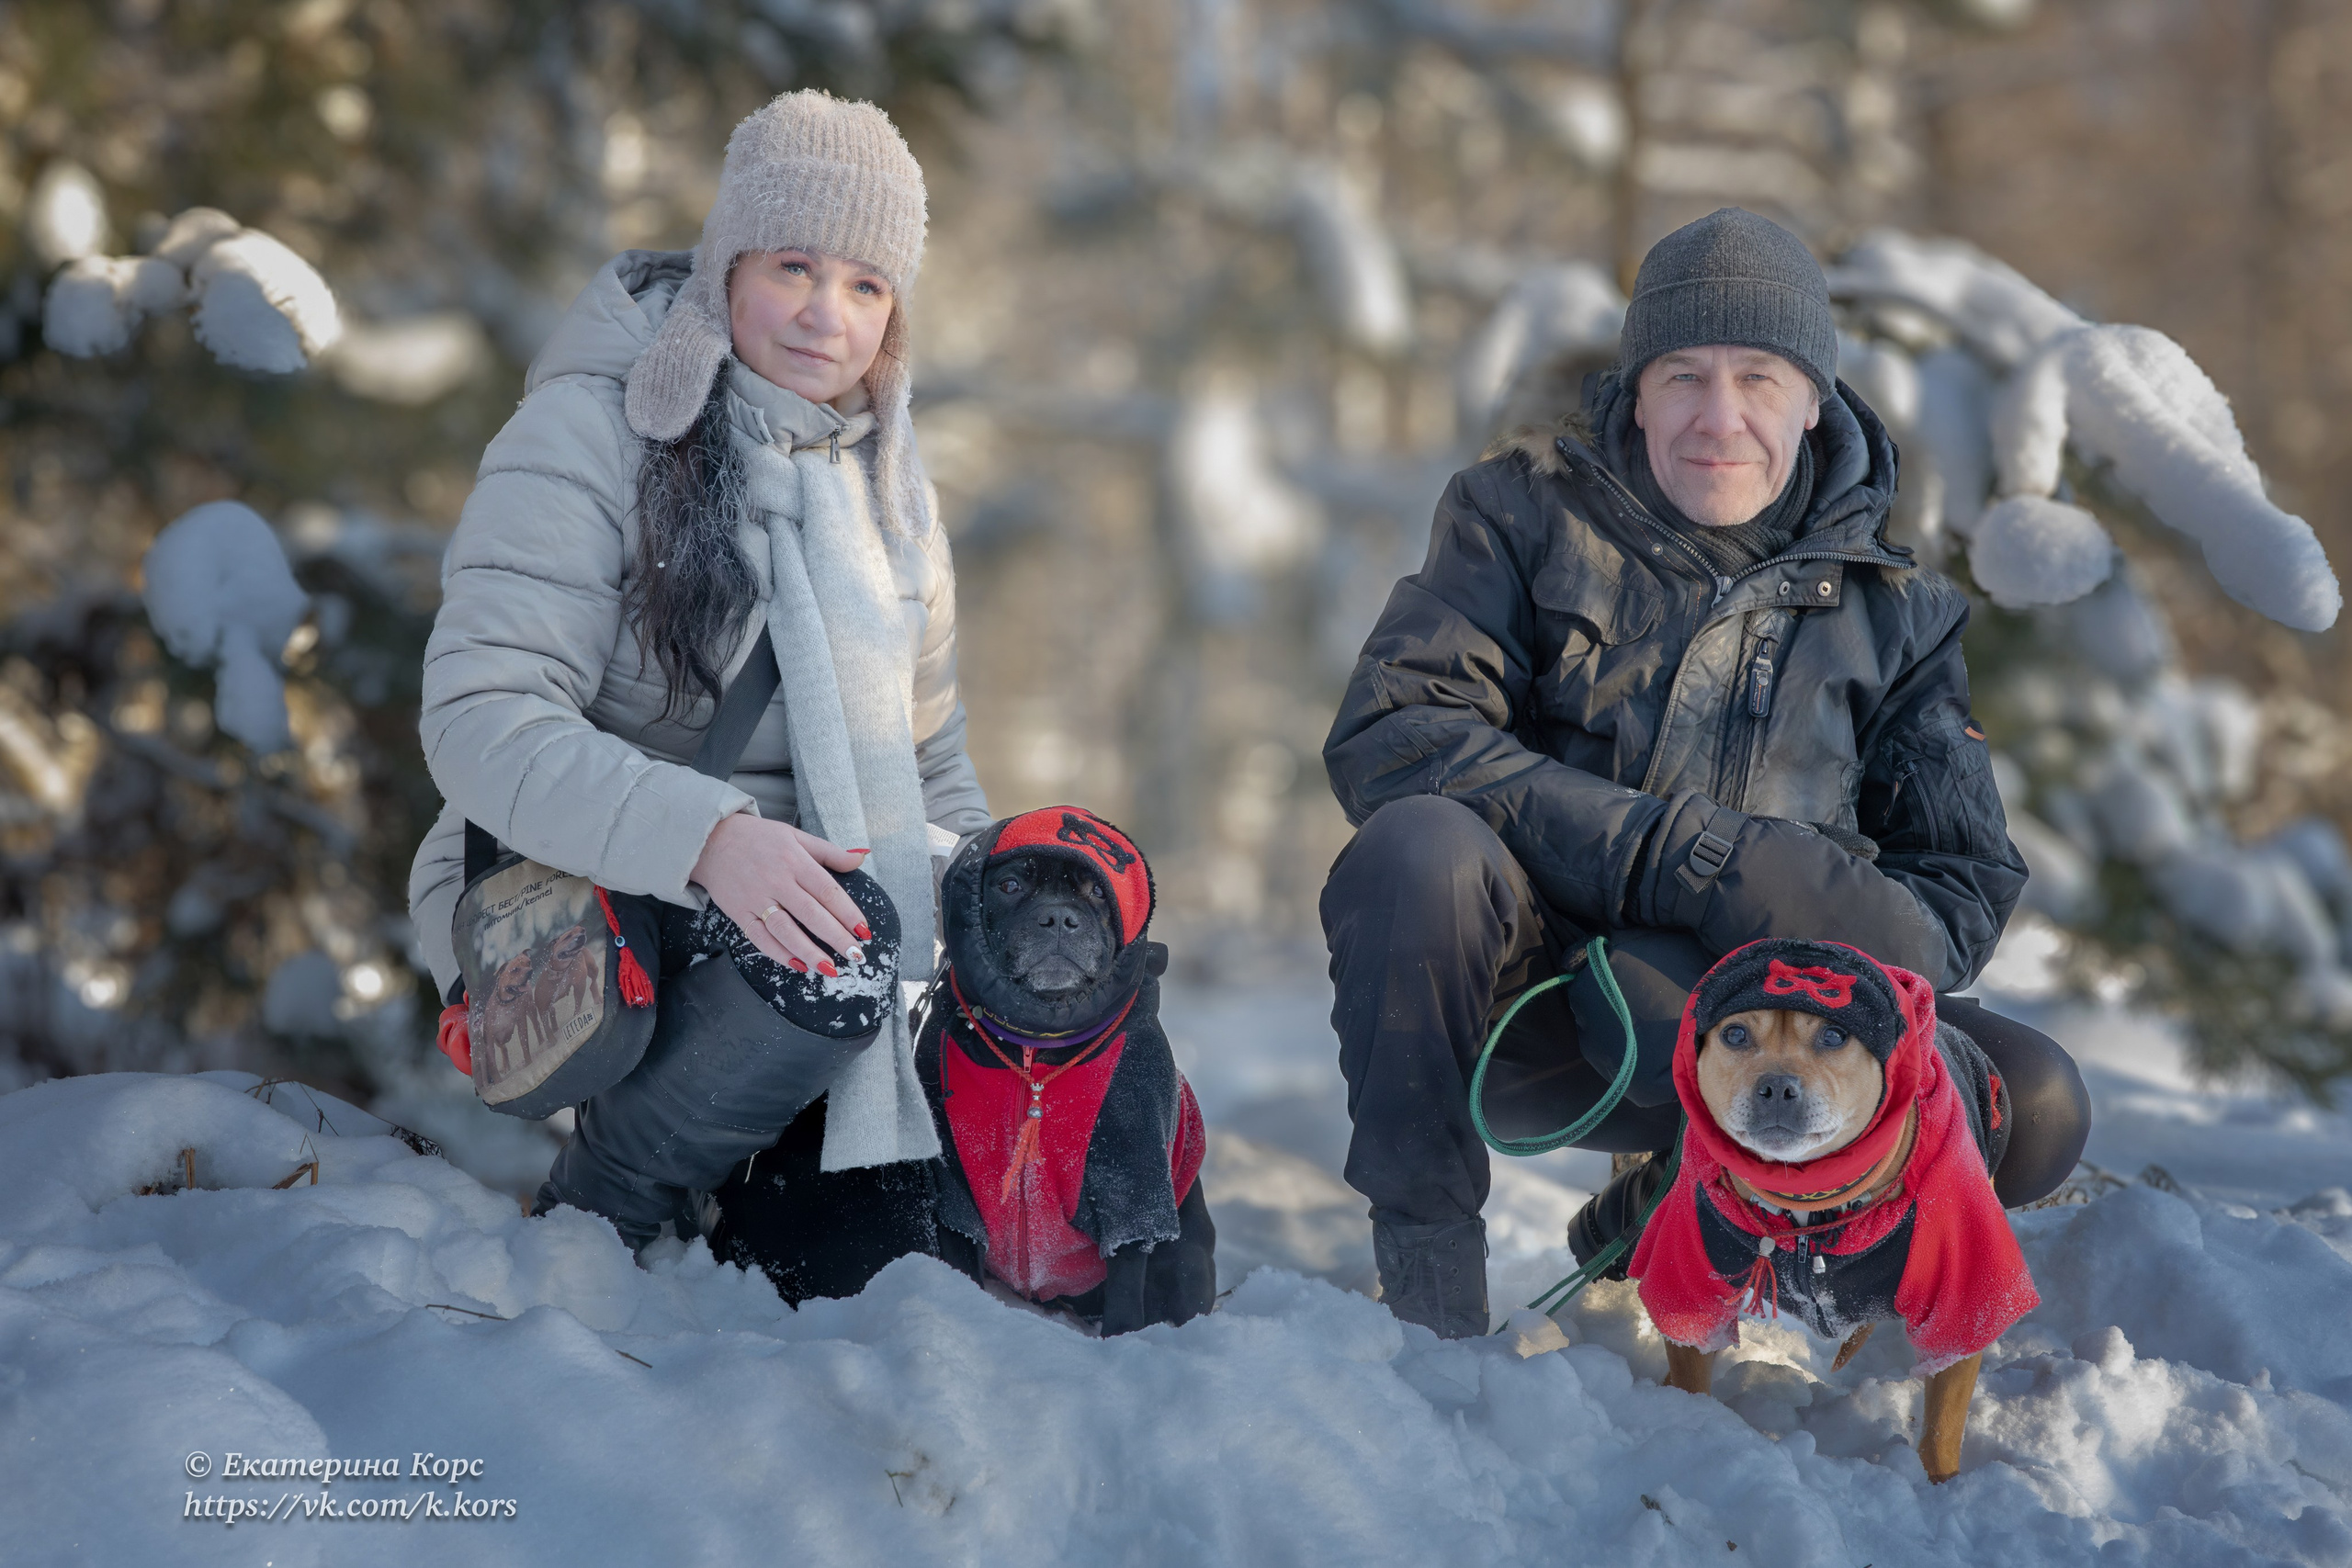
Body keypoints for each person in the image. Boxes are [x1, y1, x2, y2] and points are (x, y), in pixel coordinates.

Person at [1319, 207, 2091, 1338]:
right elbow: (1397, 733)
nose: (1717, 419)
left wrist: (1789, 912)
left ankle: (1670, 1205)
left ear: (1816, 398)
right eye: (1681, 375)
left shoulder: (1900, 614)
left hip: (1769, 1026)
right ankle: (1429, 1296)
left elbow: (1955, 895)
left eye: (1758, 378)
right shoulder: (1519, 517)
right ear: (1633, 390)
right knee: (1414, 850)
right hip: (1538, 1012)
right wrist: (1676, 852)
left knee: (2033, 1105)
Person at [407, 90, 990, 1290]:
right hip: (586, 883)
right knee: (838, 938)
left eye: (868, 286)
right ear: (728, 264)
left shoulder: (893, 496)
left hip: (818, 913)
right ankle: (610, 1199)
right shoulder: (590, 432)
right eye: (794, 266)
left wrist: (1002, 899)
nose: (829, 315)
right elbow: (482, 719)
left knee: (865, 1255)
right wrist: (711, 837)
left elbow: (932, 761)